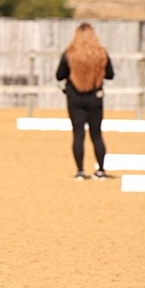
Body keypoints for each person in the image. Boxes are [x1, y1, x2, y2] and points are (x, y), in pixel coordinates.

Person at [56, 23, 114, 180]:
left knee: (78, 134)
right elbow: (110, 74)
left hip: (75, 98)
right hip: (95, 98)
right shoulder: (101, 53)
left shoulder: (70, 54)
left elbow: (60, 75)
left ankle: (80, 171)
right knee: (97, 134)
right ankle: (100, 170)